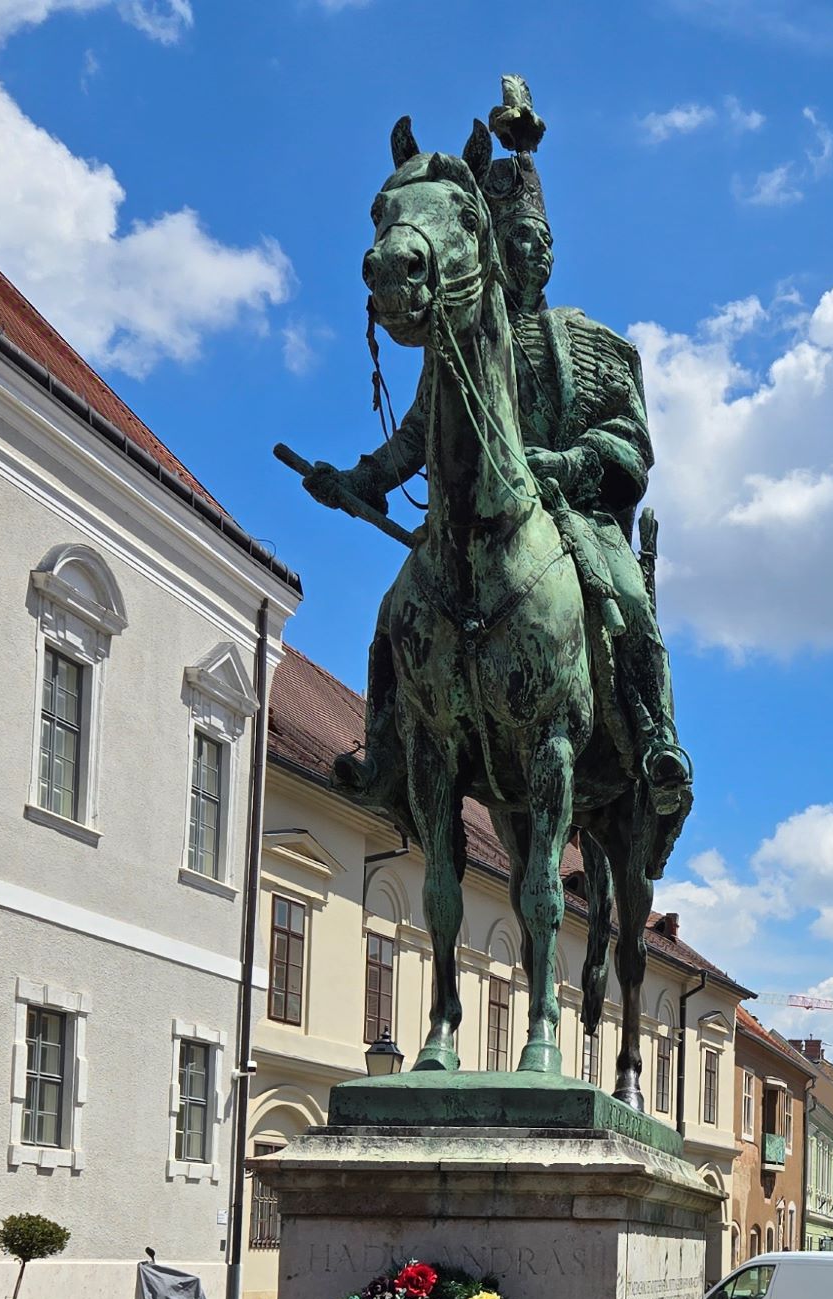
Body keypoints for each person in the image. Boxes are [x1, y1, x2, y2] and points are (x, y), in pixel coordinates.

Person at [328, 79, 692, 824]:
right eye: (513, 242)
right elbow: (414, 437)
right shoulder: (455, 344)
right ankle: (385, 754)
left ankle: (656, 740)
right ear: (492, 251)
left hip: (570, 511)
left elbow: (630, 438)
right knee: (393, 612)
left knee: (626, 597)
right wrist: (359, 479)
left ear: (551, 254)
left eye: (536, 243)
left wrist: (573, 463)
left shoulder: (595, 344)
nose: (525, 255)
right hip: (475, 520)